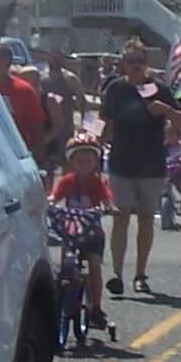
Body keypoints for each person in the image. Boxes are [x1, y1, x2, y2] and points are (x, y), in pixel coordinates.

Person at [97, 39, 179, 297]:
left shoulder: (160, 89)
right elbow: (104, 123)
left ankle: (140, 274)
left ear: (146, 63)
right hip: (121, 162)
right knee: (120, 217)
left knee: (145, 219)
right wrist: (91, 147)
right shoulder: (115, 90)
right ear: (123, 63)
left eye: (139, 62)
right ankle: (117, 274)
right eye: (130, 62)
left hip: (152, 163)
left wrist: (164, 110)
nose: (135, 67)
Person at [47, 137, 114, 334]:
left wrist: (110, 207)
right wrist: (48, 202)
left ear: (96, 162)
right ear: (72, 162)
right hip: (71, 232)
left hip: (92, 233)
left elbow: (107, 199)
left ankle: (96, 308)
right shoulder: (67, 181)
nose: (84, 165)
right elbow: (55, 197)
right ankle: (60, 301)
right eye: (79, 161)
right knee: (64, 268)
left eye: (89, 161)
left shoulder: (98, 183)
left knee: (94, 268)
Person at [0, 42, 52, 161]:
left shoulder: (23, 91)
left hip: (16, 153)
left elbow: (36, 128)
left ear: (6, 62)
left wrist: (39, 158)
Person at [37, 48, 86, 172]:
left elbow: (82, 102)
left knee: (67, 163)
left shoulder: (70, 78)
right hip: (47, 127)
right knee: (47, 165)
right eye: (52, 57)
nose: (54, 60)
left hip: (65, 128)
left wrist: (83, 125)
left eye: (58, 58)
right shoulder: (42, 77)